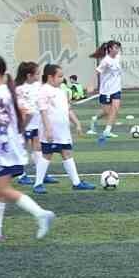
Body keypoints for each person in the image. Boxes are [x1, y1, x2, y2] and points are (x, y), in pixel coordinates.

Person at [0, 54, 56, 244]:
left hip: (9, 150)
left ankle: (40, 214)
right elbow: (21, 115)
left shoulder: (0, 93)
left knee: (1, 187)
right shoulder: (3, 91)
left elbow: (4, 119)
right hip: (9, 147)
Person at [36, 62, 96, 193]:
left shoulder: (61, 91)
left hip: (63, 131)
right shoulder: (43, 91)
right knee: (47, 155)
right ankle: (38, 184)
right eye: (59, 76)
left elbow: (68, 110)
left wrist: (77, 123)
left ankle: (76, 183)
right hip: (51, 132)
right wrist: (48, 129)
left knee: (67, 153)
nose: (62, 79)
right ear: (50, 77)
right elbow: (43, 112)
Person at [13, 61, 49, 187]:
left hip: (36, 122)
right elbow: (20, 107)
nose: (39, 75)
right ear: (29, 75)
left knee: (37, 147)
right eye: (37, 73)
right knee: (23, 148)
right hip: (25, 122)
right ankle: (21, 174)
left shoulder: (38, 86)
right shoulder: (19, 88)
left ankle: (41, 173)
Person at [87, 40, 124, 143]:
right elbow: (97, 72)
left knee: (115, 109)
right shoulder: (105, 61)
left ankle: (107, 131)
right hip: (106, 91)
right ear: (110, 49)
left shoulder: (117, 56)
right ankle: (94, 119)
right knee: (107, 112)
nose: (117, 50)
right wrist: (91, 85)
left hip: (116, 89)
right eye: (115, 48)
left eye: (118, 48)